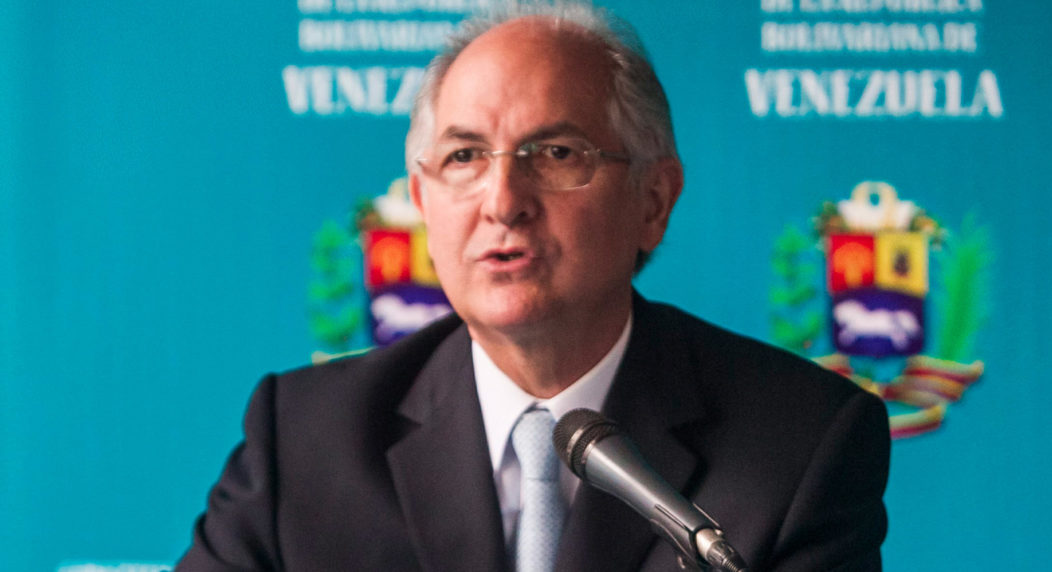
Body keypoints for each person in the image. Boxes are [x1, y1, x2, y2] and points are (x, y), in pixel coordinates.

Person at [178, 2, 890, 571]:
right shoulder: (305, 438)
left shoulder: (801, 443)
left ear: (653, 201)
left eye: (555, 153)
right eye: (464, 156)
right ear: (423, 202)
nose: (502, 201)